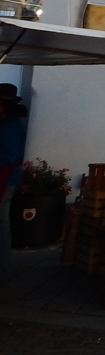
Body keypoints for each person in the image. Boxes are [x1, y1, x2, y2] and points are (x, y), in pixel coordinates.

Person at [0, 83, 28, 283]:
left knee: (1, 226)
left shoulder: (11, 125)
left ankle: (1, 272)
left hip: (5, 181)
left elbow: (8, 156)